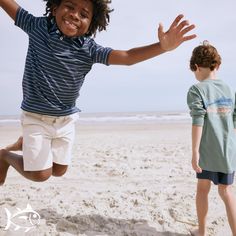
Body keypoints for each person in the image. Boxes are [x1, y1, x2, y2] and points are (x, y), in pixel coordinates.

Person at [0, 0, 196, 185]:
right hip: (36, 117)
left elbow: (127, 57)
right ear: (54, 7)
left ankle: (26, 142)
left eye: (84, 14)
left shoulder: (89, 49)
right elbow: (11, 6)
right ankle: (5, 156)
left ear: (91, 23)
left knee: (59, 170)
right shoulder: (38, 28)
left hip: (65, 119)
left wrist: (162, 47)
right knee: (41, 174)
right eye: (69, 6)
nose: (75, 15)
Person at [187, 41, 236, 236]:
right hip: (228, 151)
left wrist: (194, 151)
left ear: (196, 67)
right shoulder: (229, 89)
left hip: (207, 151)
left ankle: (202, 231)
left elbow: (198, 120)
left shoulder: (196, 90)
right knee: (226, 192)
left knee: (202, 189)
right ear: (218, 66)